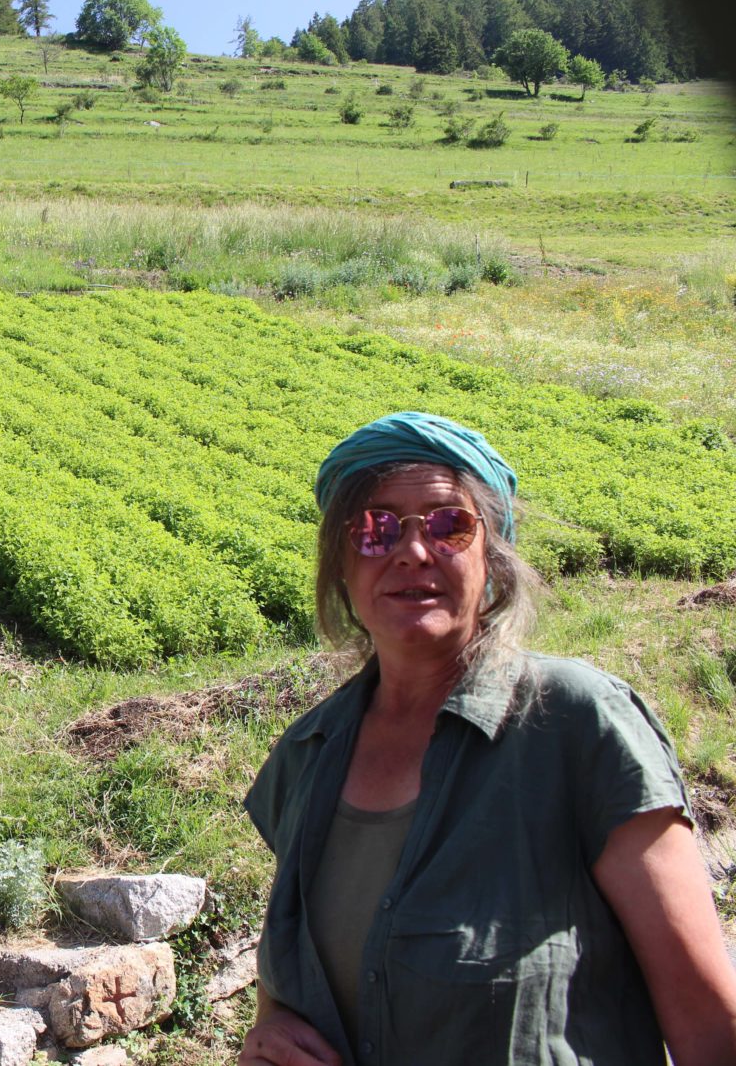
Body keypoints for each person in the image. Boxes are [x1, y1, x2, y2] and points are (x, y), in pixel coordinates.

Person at [241, 411, 736, 1066]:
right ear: (339, 563)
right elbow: (306, 974)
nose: (412, 550)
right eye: (374, 526)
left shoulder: (577, 725)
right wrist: (268, 1034)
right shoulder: (306, 753)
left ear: (493, 554)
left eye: (450, 523)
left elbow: (711, 1024)